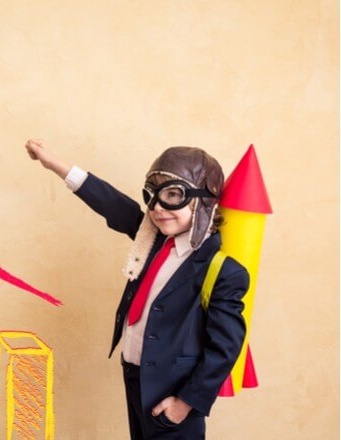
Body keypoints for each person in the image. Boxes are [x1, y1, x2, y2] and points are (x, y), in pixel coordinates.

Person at [24, 139, 250, 439]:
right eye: (152, 196)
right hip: (135, 377)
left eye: (173, 195)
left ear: (203, 201)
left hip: (172, 392)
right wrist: (55, 164)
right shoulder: (152, 240)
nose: (157, 207)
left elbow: (225, 348)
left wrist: (185, 403)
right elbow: (113, 204)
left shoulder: (222, 271)